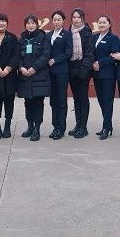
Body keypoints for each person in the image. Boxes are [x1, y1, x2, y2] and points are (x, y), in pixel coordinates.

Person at [18, 14, 51, 141]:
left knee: (38, 103)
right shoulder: (22, 39)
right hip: (25, 76)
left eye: (33, 23)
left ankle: (37, 129)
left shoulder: (43, 37)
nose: (30, 25)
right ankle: (30, 127)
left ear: (37, 24)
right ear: (25, 25)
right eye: (28, 23)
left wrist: (34, 68)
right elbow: (17, 56)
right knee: (28, 103)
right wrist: (21, 68)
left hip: (39, 76)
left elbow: (45, 55)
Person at [46, 10, 72, 140]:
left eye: (59, 20)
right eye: (54, 20)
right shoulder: (48, 35)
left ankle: (61, 129)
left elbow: (69, 52)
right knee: (53, 100)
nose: (56, 22)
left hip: (62, 71)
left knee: (61, 100)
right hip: (49, 72)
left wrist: (55, 60)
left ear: (63, 21)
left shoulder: (67, 34)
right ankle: (55, 126)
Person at [92, 15, 119, 140]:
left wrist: (100, 63)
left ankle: (106, 128)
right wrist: (93, 63)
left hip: (108, 74)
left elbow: (114, 56)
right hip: (96, 74)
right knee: (101, 101)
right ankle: (107, 125)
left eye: (104, 22)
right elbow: (91, 53)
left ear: (109, 24)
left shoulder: (113, 38)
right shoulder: (94, 37)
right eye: (100, 22)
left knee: (107, 102)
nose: (102, 24)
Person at [67, 8, 94, 139]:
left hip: (83, 70)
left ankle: (84, 127)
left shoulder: (87, 33)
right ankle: (78, 125)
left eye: (79, 17)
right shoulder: (69, 32)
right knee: (76, 99)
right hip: (72, 69)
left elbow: (89, 53)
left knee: (83, 98)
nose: (76, 19)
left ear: (83, 18)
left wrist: (84, 70)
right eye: (74, 17)